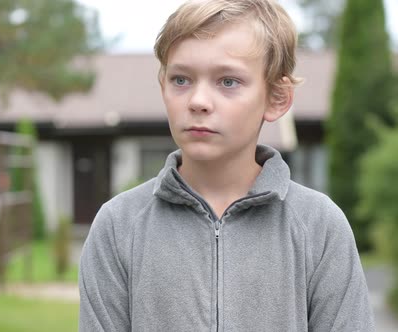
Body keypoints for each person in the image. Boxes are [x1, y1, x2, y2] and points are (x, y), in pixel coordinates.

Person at [78, 0, 375, 331]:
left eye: (228, 81)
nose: (198, 101)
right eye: (181, 80)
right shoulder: (118, 227)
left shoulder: (319, 226)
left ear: (277, 98)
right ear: (163, 86)